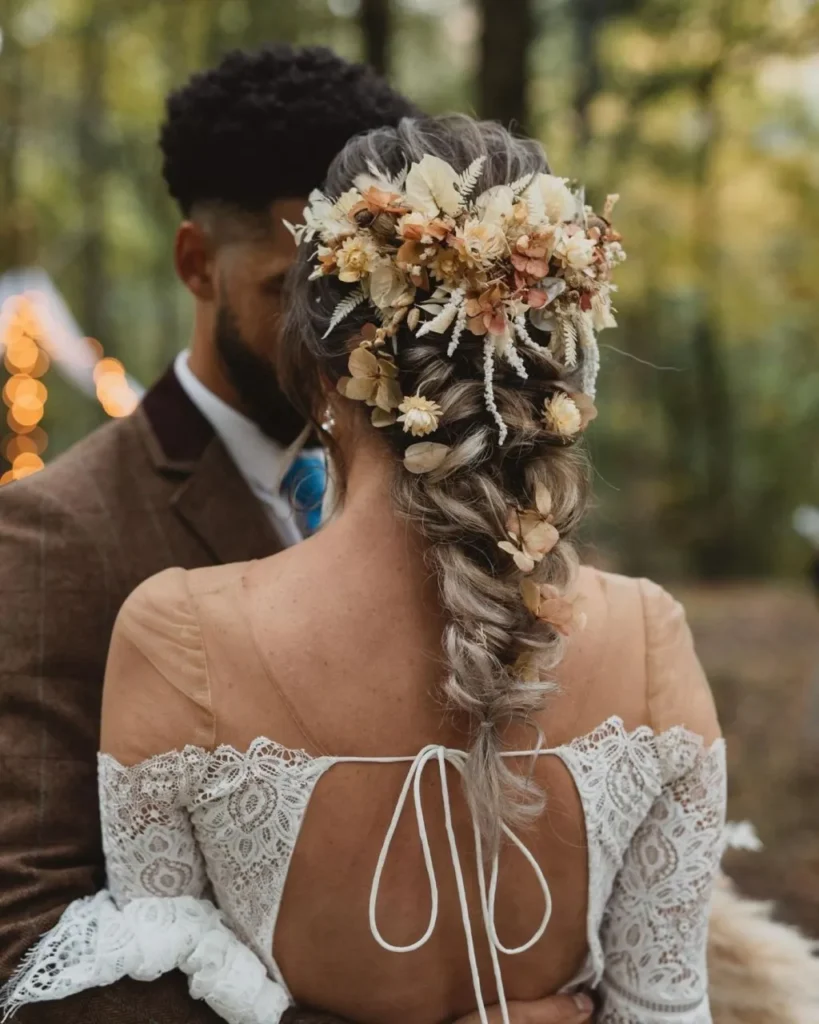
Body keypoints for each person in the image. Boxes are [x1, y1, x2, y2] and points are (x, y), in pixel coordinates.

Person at [1, 114, 729, 1023]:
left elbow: (154, 980)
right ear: (554, 368)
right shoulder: (650, 639)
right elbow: (664, 1009)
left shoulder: (174, 633)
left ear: (314, 367)